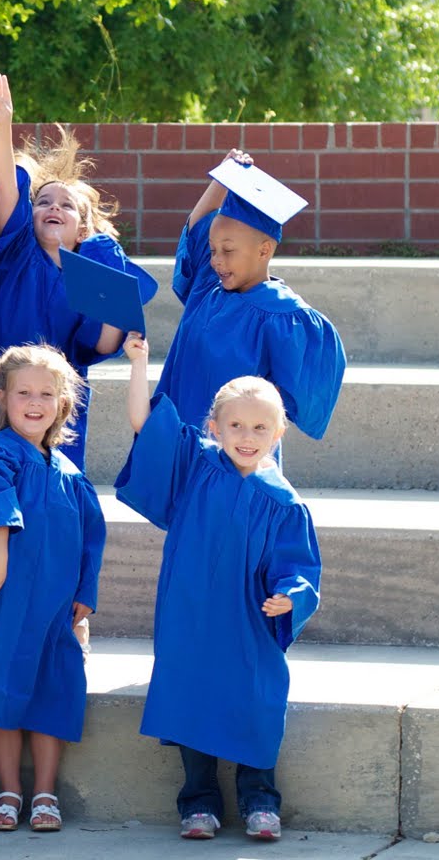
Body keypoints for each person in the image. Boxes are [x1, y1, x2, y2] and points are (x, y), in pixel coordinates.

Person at [120, 332, 322, 842]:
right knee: (190, 697)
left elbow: (298, 567)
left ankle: (260, 799)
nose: (246, 435)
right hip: (189, 611)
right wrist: (140, 363)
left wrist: (291, 597)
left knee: (254, 702)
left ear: (279, 434)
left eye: (259, 427)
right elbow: (146, 424)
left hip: (249, 618)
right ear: (214, 428)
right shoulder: (196, 465)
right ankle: (199, 801)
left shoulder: (283, 502)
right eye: (235, 425)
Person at [0, 345, 105, 833]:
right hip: (4, 599)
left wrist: (85, 596)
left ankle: (45, 793)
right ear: (3, 398)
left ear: (63, 403)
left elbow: (91, 538)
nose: (35, 402)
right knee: (3, 686)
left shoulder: (71, 474)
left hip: (55, 606)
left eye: (47, 394)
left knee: (52, 690)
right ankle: (9, 790)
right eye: (23, 392)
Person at [0, 74, 153, 469]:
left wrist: (114, 297)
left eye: (66, 206)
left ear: (83, 229)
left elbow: (101, 346)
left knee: (54, 479)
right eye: (43, 201)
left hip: (54, 403)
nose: (53, 207)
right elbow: (5, 187)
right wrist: (2, 129)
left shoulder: (89, 277)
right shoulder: (15, 254)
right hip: (1, 390)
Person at [155, 149, 346, 442]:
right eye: (213, 250)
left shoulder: (284, 317)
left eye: (228, 250)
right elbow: (197, 226)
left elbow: (299, 395)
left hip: (238, 455)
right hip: (180, 441)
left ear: (264, 250)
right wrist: (224, 175)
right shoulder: (207, 289)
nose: (216, 260)